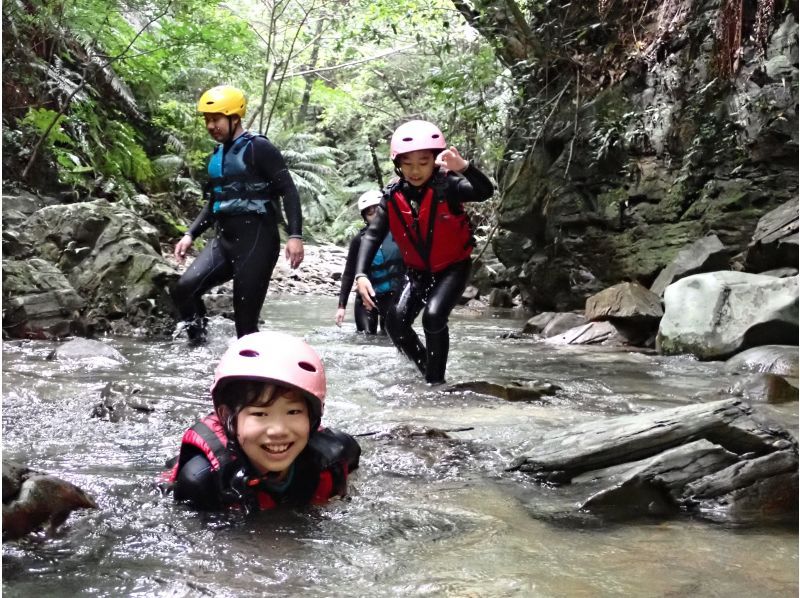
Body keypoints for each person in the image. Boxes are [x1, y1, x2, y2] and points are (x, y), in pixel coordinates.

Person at [354, 120, 494, 384]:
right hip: (418, 272)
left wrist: (464, 168)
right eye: (407, 163)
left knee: (433, 316)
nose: (415, 170)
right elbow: (372, 235)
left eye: (423, 161)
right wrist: (361, 274)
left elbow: (484, 192)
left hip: (453, 267)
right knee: (394, 322)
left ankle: (435, 382)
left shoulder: (448, 186)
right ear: (398, 164)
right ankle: (427, 370)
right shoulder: (393, 196)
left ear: (435, 160)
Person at [164, 331, 361, 512]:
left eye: (293, 412)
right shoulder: (201, 479)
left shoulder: (337, 452)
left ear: (312, 418)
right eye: (260, 414)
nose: (278, 430)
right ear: (226, 416)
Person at [171, 85, 304, 343]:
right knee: (184, 289)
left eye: (216, 119)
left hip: (258, 241)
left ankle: (253, 375)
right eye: (207, 120)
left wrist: (295, 235)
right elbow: (215, 202)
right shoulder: (217, 155)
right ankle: (198, 344)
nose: (211, 126)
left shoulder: (259, 148)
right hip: (225, 241)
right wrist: (190, 234)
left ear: (235, 118)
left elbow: (288, 190)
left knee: (245, 325)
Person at [335, 190, 406, 335]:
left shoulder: (401, 234)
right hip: (365, 298)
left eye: (378, 210)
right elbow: (349, 274)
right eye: (369, 212)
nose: (374, 215)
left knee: (390, 338)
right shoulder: (359, 240)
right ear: (364, 217)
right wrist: (341, 306)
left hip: (392, 297)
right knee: (365, 338)